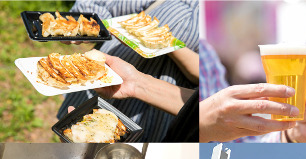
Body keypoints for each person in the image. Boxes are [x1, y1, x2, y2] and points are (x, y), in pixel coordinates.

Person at [58, 0, 200, 142]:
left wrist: (166, 43)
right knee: (73, 135)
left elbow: (210, 77)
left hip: (156, 105)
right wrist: (90, 26)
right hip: (109, 73)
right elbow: (104, 6)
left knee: (121, 153)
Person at [199, 39, 306, 143]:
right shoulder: (198, 49)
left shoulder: (206, 54)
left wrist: (294, 135)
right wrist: (200, 122)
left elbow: (242, 148)